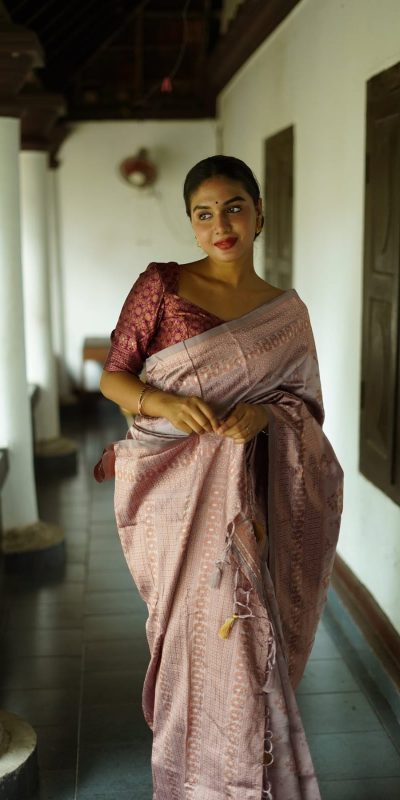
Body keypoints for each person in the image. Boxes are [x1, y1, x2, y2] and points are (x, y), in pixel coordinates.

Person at [96, 155, 343, 800]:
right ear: (191, 223)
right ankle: (188, 781)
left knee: (244, 636)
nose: (220, 225)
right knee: (189, 637)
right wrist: (163, 402)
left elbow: (305, 411)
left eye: (233, 208)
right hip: (172, 496)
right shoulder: (163, 284)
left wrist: (264, 415)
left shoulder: (285, 313)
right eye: (203, 214)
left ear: (258, 214)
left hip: (249, 503)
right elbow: (114, 376)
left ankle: (250, 779)